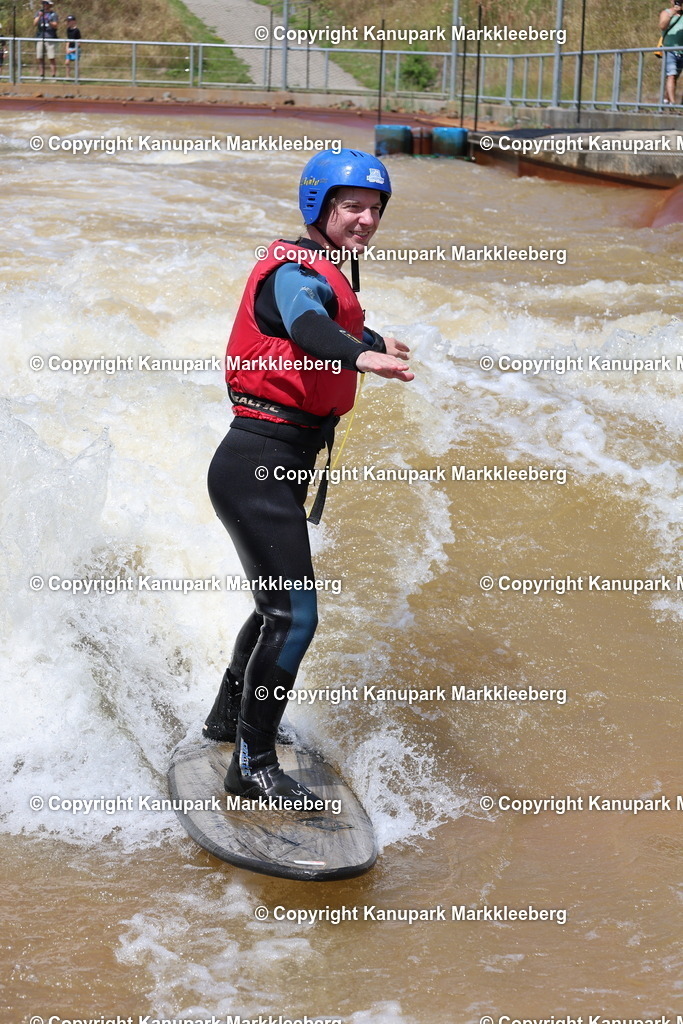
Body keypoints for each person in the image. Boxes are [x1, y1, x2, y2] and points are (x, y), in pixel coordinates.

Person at [205, 149, 413, 801]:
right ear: (319, 207)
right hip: (256, 466)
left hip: (276, 463)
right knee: (294, 617)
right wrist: (362, 358)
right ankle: (253, 765)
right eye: (352, 207)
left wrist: (372, 340)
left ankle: (226, 722)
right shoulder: (293, 271)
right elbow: (305, 323)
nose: (366, 220)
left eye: (375, 209)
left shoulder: (319, 269)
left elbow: (327, 322)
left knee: (275, 609)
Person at [660, 1, 683, 104]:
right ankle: (673, 104)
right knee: (671, 75)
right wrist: (672, 13)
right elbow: (662, 26)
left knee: (674, 77)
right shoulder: (666, 12)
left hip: (681, 51)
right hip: (669, 50)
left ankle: (666, 99)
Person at [34, 0, 58, 79]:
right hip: (40, 36)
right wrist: (40, 16)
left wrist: (48, 20)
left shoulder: (53, 14)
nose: (44, 5)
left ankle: (53, 75)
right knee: (39, 57)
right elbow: (34, 23)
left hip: (50, 37)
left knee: (51, 57)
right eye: (43, 3)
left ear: (49, 5)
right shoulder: (38, 13)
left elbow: (55, 25)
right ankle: (41, 75)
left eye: (46, 3)